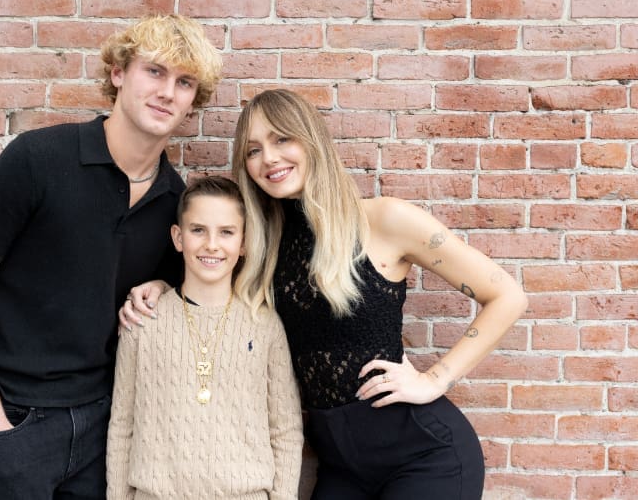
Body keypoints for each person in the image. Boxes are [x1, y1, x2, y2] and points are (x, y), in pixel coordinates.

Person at [124, 89, 529, 499]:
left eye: (282, 139)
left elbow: (507, 297)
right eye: (253, 150)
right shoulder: (264, 247)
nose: (269, 158)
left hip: (422, 456)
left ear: (311, 139)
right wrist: (162, 287)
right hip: (341, 465)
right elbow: (208, 277)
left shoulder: (384, 220)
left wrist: (434, 379)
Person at [0, 14, 222, 499]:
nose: (167, 92)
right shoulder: (38, 158)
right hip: (14, 416)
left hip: (101, 428)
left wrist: (161, 284)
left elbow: (172, 292)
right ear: (118, 73)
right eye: (154, 71)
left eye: (184, 82)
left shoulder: (175, 202)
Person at [107, 175, 303, 499]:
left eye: (226, 232)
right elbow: (121, 427)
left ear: (243, 243)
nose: (212, 244)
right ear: (178, 237)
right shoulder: (142, 321)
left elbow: (285, 430)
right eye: (198, 230)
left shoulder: (264, 324)